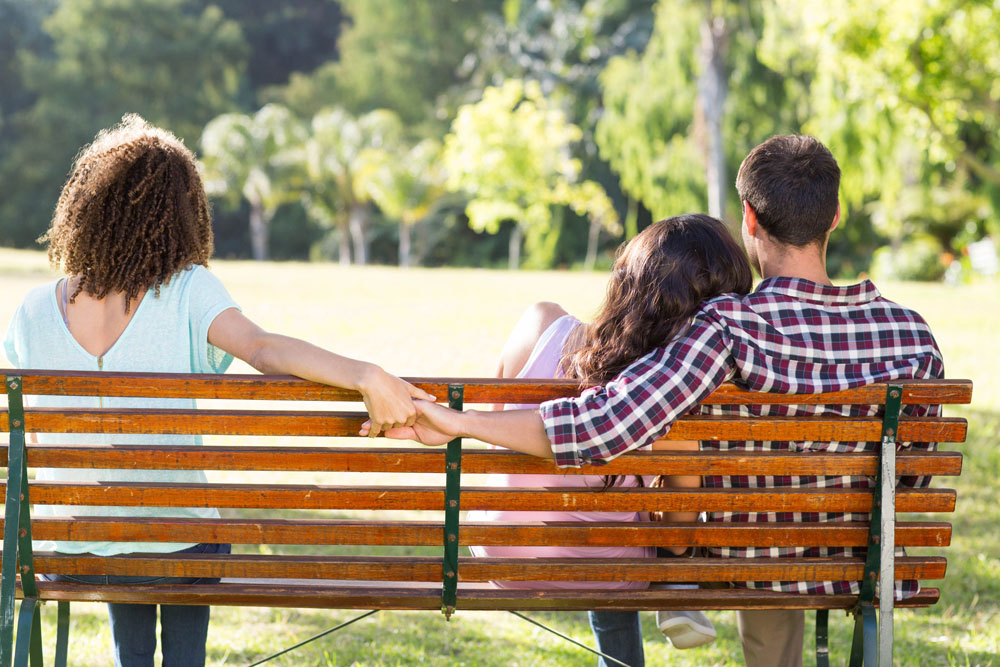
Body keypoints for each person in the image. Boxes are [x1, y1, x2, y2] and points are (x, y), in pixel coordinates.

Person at [374, 135, 944, 667]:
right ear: (834, 217)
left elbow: (601, 426)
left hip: (748, 561)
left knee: (758, 544)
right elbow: (912, 475)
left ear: (750, 220)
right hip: (864, 566)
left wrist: (459, 420)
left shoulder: (727, 328)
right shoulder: (912, 335)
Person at [3, 115, 433, 667]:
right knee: (168, 536)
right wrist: (366, 374)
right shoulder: (186, 291)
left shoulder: (34, 310)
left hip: (71, 550)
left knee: (123, 541)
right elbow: (263, 349)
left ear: (89, 206)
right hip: (175, 547)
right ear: (180, 215)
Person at [469, 215, 752, 665]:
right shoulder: (670, 389)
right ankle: (670, 602)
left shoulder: (539, 321)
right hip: (607, 567)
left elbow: (494, 433)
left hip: (499, 546)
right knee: (617, 532)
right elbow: (679, 536)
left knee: (605, 521)